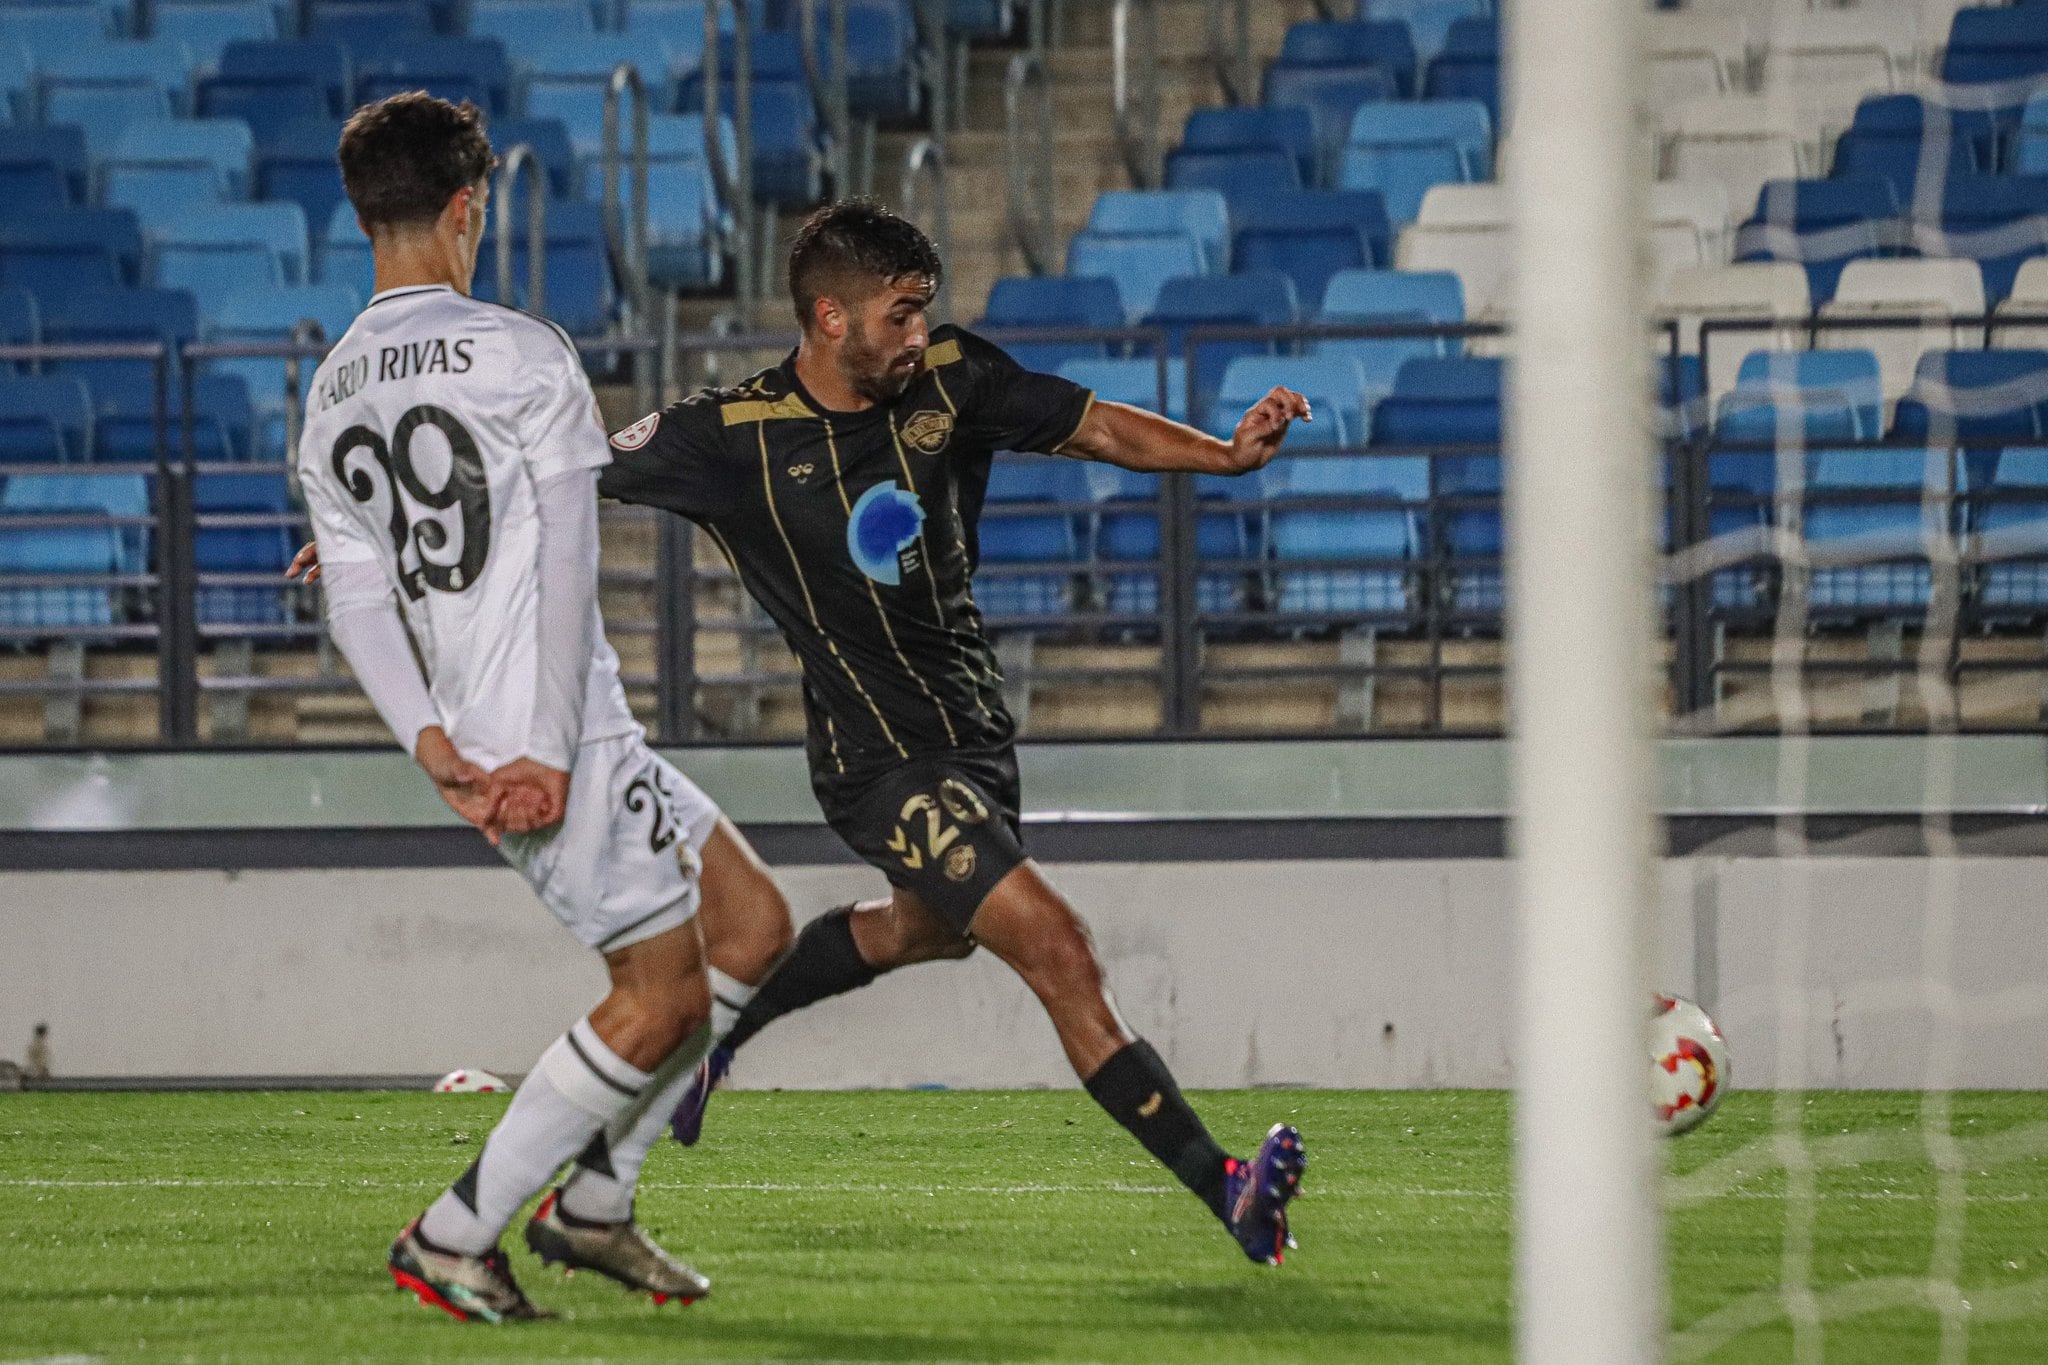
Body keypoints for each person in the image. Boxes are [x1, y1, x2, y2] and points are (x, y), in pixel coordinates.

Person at [600, 199, 1311, 1265]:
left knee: (927, 930)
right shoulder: (729, 437)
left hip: (972, 736)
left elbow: (1098, 424)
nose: (916, 333)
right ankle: (1226, 1187)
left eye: (922, 311)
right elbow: (560, 472)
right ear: (830, 319)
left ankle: (714, 1037)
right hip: (876, 759)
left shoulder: (952, 379)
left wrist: (1223, 455)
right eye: (898, 314)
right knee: (1056, 948)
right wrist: (380, 547)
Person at [294, 92, 793, 1323]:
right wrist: (547, 748)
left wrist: (433, 749)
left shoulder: (331, 392)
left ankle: (594, 1206)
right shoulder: (520, 351)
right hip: (552, 731)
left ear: (365, 216)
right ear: (469, 207)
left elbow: (358, 605)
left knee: (751, 925)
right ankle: (455, 1234)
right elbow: (571, 561)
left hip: (487, 729)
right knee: (664, 992)